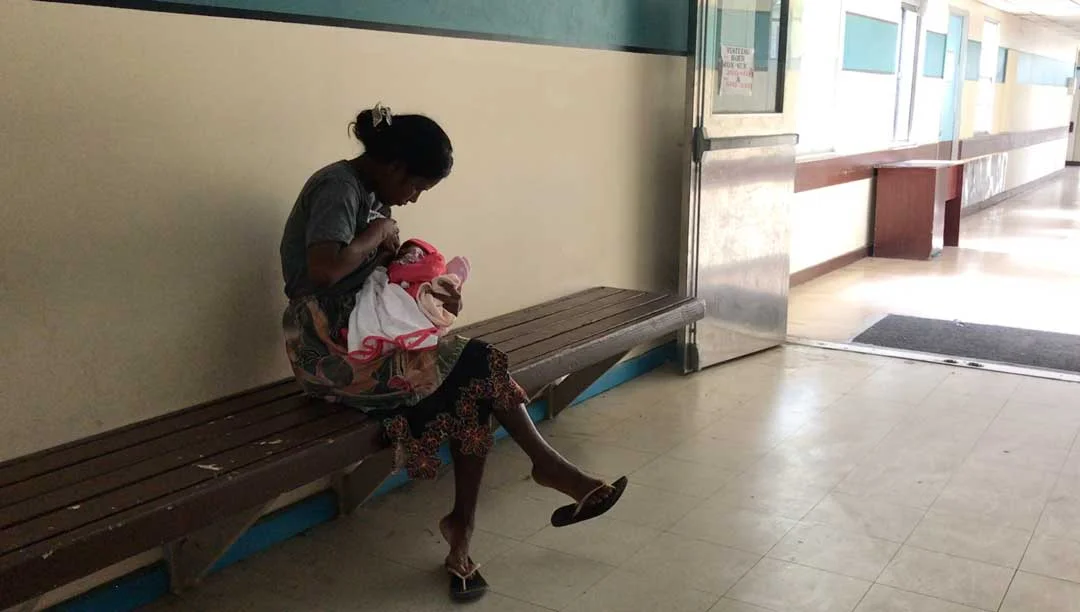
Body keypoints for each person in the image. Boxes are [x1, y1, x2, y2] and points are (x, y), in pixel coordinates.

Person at [279, 104, 627, 601]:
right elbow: (325, 270)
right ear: (395, 166)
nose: (414, 199)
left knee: (472, 388)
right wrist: (379, 234)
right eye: (417, 187)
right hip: (327, 349)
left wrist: (425, 283)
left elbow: (369, 272)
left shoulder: (374, 191)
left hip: (365, 336)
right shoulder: (340, 186)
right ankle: (535, 478)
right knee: (476, 367)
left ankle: (465, 529)